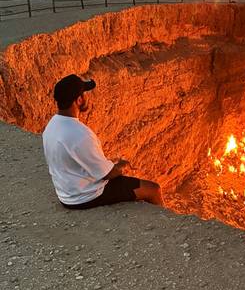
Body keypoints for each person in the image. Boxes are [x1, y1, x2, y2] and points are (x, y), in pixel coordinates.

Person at [42, 74, 163, 209]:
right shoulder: (80, 134)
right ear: (79, 100)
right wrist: (121, 165)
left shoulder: (52, 125)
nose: (87, 97)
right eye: (84, 94)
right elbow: (108, 174)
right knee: (153, 189)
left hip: (66, 193)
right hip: (86, 196)